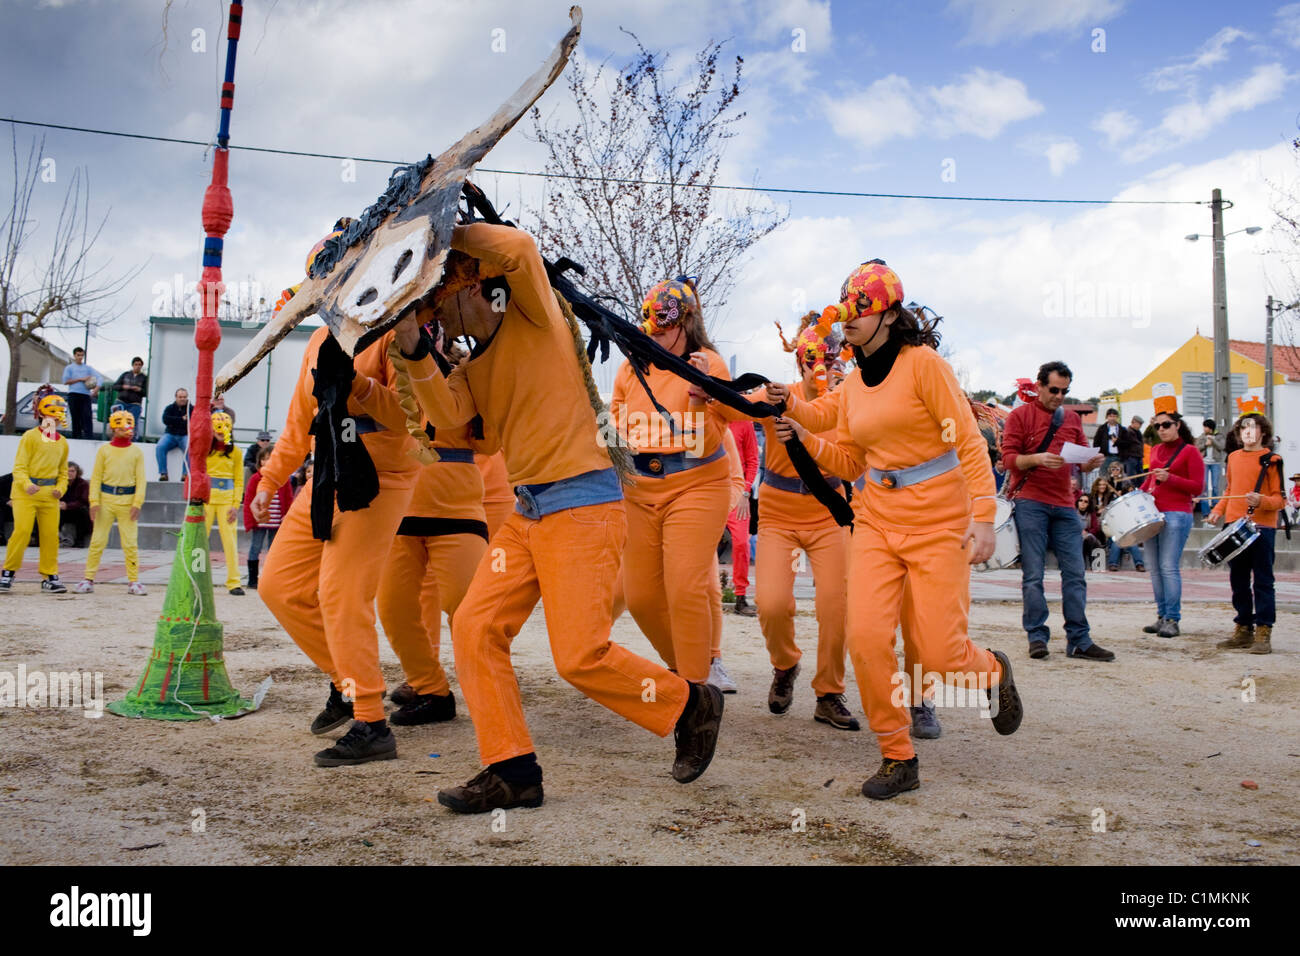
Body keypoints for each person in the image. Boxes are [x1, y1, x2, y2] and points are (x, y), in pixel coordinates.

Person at [396, 218, 723, 813]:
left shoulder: (536, 318)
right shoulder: (472, 368)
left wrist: (443, 233)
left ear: (471, 289)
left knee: (579, 657)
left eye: (439, 306)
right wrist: (415, 348)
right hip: (527, 515)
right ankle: (512, 771)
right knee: (473, 627)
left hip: (585, 507)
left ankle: (688, 703)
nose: (437, 320)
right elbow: (452, 423)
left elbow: (519, 247)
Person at [775, 260, 1022, 799]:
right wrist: (791, 415)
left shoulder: (923, 365)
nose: (849, 320)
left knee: (939, 654)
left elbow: (967, 443)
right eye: (845, 310)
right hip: (877, 521)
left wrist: (984, 516)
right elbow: (841, 452)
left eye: (861, 309)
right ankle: (897, 754)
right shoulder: (855, 381)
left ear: (889, 314)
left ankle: (992, 673)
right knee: (864, 640)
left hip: (939, 521)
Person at [254, 238, 420, 767]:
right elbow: (296, 426)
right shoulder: (318, 341)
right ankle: (349, 683)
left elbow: (420, 419)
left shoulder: (395, 329)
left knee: (341, 592)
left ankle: (372, 722)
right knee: (278, 584)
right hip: (327, 471)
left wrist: (361, 389)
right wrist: (267, 481)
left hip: (379, 477)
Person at [723, 313, 861, 732]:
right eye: (811, 359)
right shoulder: (777, 395)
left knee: (836, 606)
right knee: (772, 604)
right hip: (780, 510)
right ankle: (785, 665)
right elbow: (732, 410)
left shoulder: (849, 399)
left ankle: (829, 693)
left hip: (828, 509)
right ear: (799, 361)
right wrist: (707, 388)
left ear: (840, 358)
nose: (820, 367)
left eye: (829, 358)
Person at [609, 276, 735, 698]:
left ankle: (697, 687)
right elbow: (616, 423)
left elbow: (705, 442)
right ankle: (683, 671)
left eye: (664, 325)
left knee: (685, 587)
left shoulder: (710, 364)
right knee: (641, 597)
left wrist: (700, 398)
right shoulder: (631, 367)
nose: (654, 332)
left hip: (697, 484)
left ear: (687, 320)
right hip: (640, 489)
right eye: (650, 326)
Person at [1001, 361, 1115, 661]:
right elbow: (1009, 459)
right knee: (1033, 575)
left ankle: (1079, 639)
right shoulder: (1019, 416)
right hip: (1030, 501)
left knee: (1076, 574)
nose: (1059, 396)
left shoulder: (1072, 420)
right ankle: (1037, 636)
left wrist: (1090, 462)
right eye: (1054, 390)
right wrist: (1037, 458)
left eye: (1064, 391)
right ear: (1038, 386)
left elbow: (1080, 455)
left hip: (1064, 502)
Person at [1209, 413, 1285, 655]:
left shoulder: (1273, 460)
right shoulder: (1232, 457)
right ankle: (1243, 627)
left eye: (1252, 428)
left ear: (1263, 432)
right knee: (1238, 580)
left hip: (1262, 527)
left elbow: (1280, 499)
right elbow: (1230, 490)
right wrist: (1218, 510)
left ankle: (1264, 631)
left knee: (1263, 581)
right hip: (1234, 524)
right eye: (1243, 428)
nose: (1248, 433)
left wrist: (1262, 501)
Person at [1139, 407, 1204, 638]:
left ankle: (1172, 619)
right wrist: (1136, 495)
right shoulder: (1155, 450)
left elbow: (1198, 487)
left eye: (1166, 424)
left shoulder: (1190, 452)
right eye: (1157, 426)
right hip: (1153, 514)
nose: (1161, 429)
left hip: (1177, 513)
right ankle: (1161, 615)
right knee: (1155, 569)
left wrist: (1171, 478)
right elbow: (1150, 481)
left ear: (1177, 425)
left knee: (1168, 567)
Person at [1, 387, 70, 592]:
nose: (56, 419)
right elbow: (20, 467)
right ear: (42, 414)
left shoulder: (62, 443)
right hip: (26, 493)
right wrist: (26, 484)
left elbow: (63, 472)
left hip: (49, 495)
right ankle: (8, 572)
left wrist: (60, 488)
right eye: (52, 414)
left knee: (50, 535)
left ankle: (49, 575)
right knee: (21, 531)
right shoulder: (30, 437)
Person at [75, 409, 147, 595]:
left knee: (130, 543)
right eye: (124, 424)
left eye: (130, 424)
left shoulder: (136, 452)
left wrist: (137, 503)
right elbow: (97, 477)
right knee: (97, 540)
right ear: (114, 427)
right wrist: (94, 501)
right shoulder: (104, 450)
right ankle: (88, 578)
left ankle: (133, 580)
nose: (128, 428)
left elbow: (141, 479)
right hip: (106, 500)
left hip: (128, 501)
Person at [205, 410, 245, 595]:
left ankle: (234, 581)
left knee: (230, 541)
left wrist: (235, 505)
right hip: (206, 500)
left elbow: (239, 480)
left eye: (225, 426)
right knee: (199, 540)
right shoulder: (205, 449)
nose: (221, 430)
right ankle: (196, 575)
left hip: (227, 500)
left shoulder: (236, 452)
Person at [242, 444, 290, 590]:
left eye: (271, 459)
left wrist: (286, 516)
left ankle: (271, 579)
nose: (268, 462)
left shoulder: (283, 479)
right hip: (260, 522)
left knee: (273, 551)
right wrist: (250, 520)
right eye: (265, 459)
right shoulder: (255, 479)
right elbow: (249, 500)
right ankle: (252, 579)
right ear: (260, 461)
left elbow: (288, 498)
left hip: (276, 521)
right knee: (255, 548)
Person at [726, 420, 759, 618]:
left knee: (741, 543)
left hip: (737, 494)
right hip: (707, 490)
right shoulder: (704, 415)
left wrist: (745, 493)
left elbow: (753, 459)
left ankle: (740, 597)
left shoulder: (744, 422)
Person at [1093, 460, 1144, 571]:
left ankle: (1139, 564)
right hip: (1112, 518)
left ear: (1121, 470)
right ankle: (1113, 564)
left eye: (1117, 469)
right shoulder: (1107, 483)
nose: (1115, 471)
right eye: (1113, 469)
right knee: (1117, 540)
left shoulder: (1126, 482)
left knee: (1129, 541)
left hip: (1124, 517)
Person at [61, 347, 102, 440]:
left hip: (85, 396)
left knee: (87, 417)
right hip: (73, 395)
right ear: (74, 355)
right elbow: (65, 381)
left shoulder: (88, 368)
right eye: (78, 355)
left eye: (82, 355)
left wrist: (95, 390)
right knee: (76, 418)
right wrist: (80, 379)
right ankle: (76, 439)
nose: (80, 357)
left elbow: (100, 378)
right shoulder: (69, 368)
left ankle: (89, 439)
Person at [157, 388, 191, 481]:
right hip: (170, 435)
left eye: (184, 397)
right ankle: (163, 473)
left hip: (185, 435)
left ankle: (185, 474)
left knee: (190, 448)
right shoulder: (169, 408)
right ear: (176, 397)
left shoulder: (191, 409)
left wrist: (175, 421)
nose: (182, 399)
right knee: (160, 447)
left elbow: (192, 422)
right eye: (180, 397)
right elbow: (165, 420)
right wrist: (181, 419)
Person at [1196, 419, 1226, 521]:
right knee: (1203, 486)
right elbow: (1196, 447)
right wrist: (1205, 444)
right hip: (1204, 463)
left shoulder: (1219, 436)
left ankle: (1215, 508)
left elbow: (1222, 446)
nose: (1204, 429)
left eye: (1205, 427)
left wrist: (1213, 441)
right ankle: (1206, 512)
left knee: (1215, 486)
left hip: (1216, 463)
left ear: (1210, 428)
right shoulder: (1202, 436)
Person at [59, 461, 92, 547]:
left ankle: (80, 540)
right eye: (67, 471)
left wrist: (67, 506)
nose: (69, 473)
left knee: (82, 511)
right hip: (62, 510)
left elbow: (83, 501)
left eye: (72, 471)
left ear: (77, 472)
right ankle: (49, 538)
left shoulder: (83, 484)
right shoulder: (59, 482)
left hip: (77, 511)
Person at [113, 357, 148, 435]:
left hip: (135, 404)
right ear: (132, 365)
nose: (138, 366)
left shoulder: (144, 378)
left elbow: (147, 392)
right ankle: (116, 439)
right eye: (136, 364)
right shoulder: (125, 374)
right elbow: (115, 386)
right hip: (121, 402)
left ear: (141, 366)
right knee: (117, 422)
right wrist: (123, 387)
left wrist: (139, 390)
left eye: (139, 364)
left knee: (131, 424)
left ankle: (131, 441)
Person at [1076, 493, 1106, 570]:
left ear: (1088, 504)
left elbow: (1095, 528)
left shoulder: (1091, 515)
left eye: (1086, 501)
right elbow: (1070, 527)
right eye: (1081, 500)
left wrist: (1086, 532)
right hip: (1076, 536)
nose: (1082, 502)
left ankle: (1091, 564)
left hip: (1089, 537)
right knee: (1081, 540)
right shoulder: (1073, 514)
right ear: (1077, 502)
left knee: (1088, 538)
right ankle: (1085, 564)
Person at [1092, 407, 1123, 472]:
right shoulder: (1102, 428)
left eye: (1114, 416)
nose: (1112, 418)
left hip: (1119, 457)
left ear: (1117, 417)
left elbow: (1127, 443)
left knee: (1118, 477)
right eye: (1110, 416)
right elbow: (1096, 442)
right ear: (1107, 417)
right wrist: (1100, 454)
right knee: (1104, 477)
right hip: (1106, 457)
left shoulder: (1122, 429)